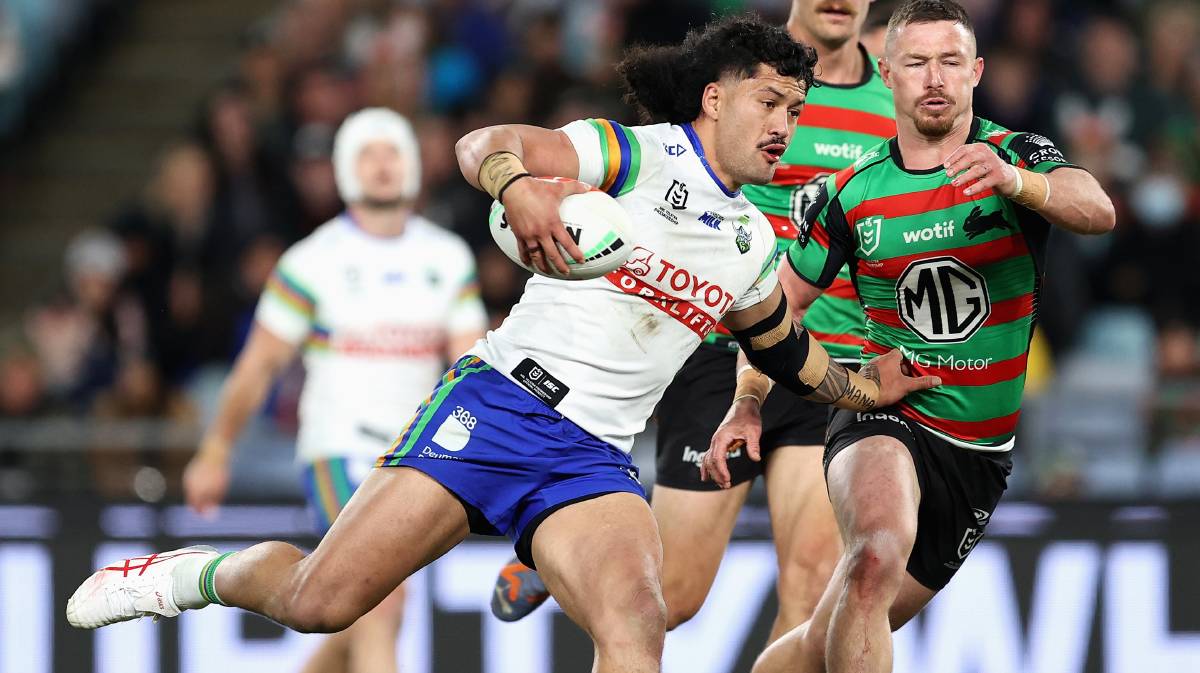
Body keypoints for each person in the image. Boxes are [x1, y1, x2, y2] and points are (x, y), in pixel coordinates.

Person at [67, 17, 934, 673]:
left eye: (796, 108)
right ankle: (184, 575)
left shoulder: (752, 242)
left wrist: (869, 388)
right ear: (716, 98)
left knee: (638, 628)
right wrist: (516, 184)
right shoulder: (634, 156)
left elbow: (789, 355)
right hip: (497, 409)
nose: (786, 124)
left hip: (590, 461)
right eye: (769, 102)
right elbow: (483, 143)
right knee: (318, 602)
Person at [702, 2, 1116, 672]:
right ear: (887, 73)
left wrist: (1017, 183)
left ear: (976, 71)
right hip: (884, 412)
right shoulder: (853, 191)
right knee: (872, 556)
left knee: (824, 637)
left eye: (950, 62)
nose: (935, 79)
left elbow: (1097, 208)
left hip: (979, 453)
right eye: (917, 63)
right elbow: (778, 307)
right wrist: (746, 401)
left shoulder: (1015, 154)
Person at [491, 0, 896, 645]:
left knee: (816, 584)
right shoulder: (747, 76)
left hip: (827, 353)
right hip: (719, 343)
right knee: (674, 595)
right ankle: (557, 544)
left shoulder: (894, 101)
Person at [179, 107, 489, 673]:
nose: (382, 165)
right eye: (367, 153)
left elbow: (470, 365)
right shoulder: (312, 261)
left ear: (414, 164)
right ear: (346, 168)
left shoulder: (447, 257)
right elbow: (258, 365)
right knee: (380, 596)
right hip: (338, 447)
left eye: (392, 151)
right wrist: (216, 448)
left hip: (419, 454)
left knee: (352, 603)